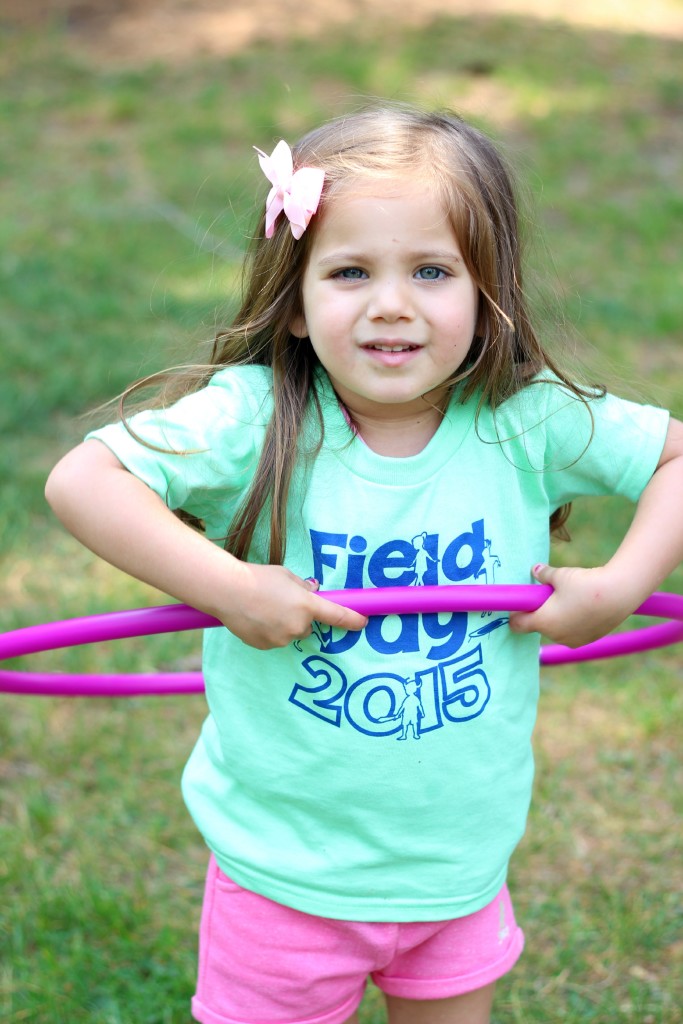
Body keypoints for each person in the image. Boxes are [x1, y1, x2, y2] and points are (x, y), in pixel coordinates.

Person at [45, 105, 683, 1024]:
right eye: (349, 272)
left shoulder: (523, 418)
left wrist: (621, 588)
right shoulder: (253, 417)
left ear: (488, 290)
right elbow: (82, 480)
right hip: (283, 872)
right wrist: (230, 589)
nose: (392, 304)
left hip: (456, 866)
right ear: (295, 301)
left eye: (432, 270)